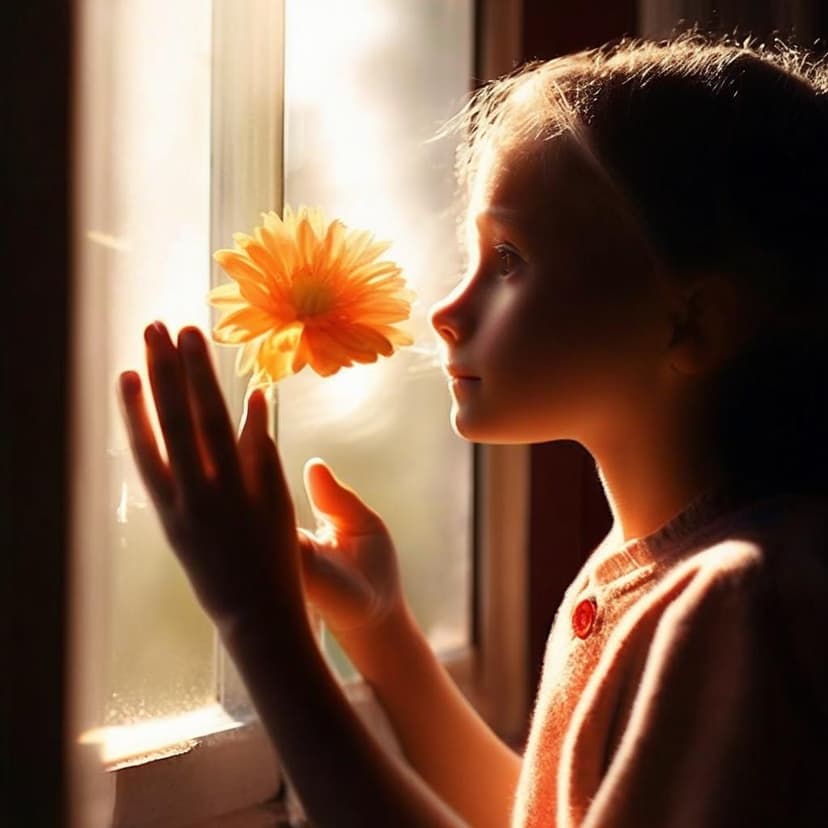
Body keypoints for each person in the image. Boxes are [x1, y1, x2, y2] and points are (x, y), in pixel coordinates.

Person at [117, 32, 828, 827]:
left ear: (690, 321)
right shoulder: (658, 569)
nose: (444, 313)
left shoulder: (741, 605)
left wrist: (261, 625)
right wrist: (384, 638)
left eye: (510, 260)